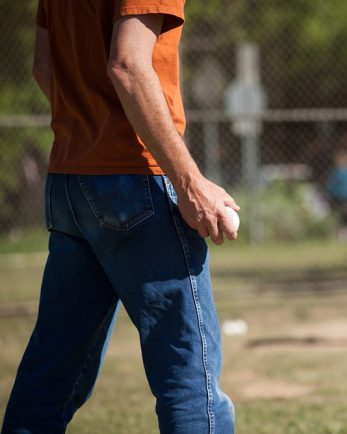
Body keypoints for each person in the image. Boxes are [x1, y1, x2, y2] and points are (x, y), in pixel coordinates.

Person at [2, 1, 238, 432]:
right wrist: (189, 181)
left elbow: (43, 64)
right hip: (135, 183)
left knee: (50, 379)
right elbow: (128, 63)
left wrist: (89, 126)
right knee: (189, 380)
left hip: (71, 181)